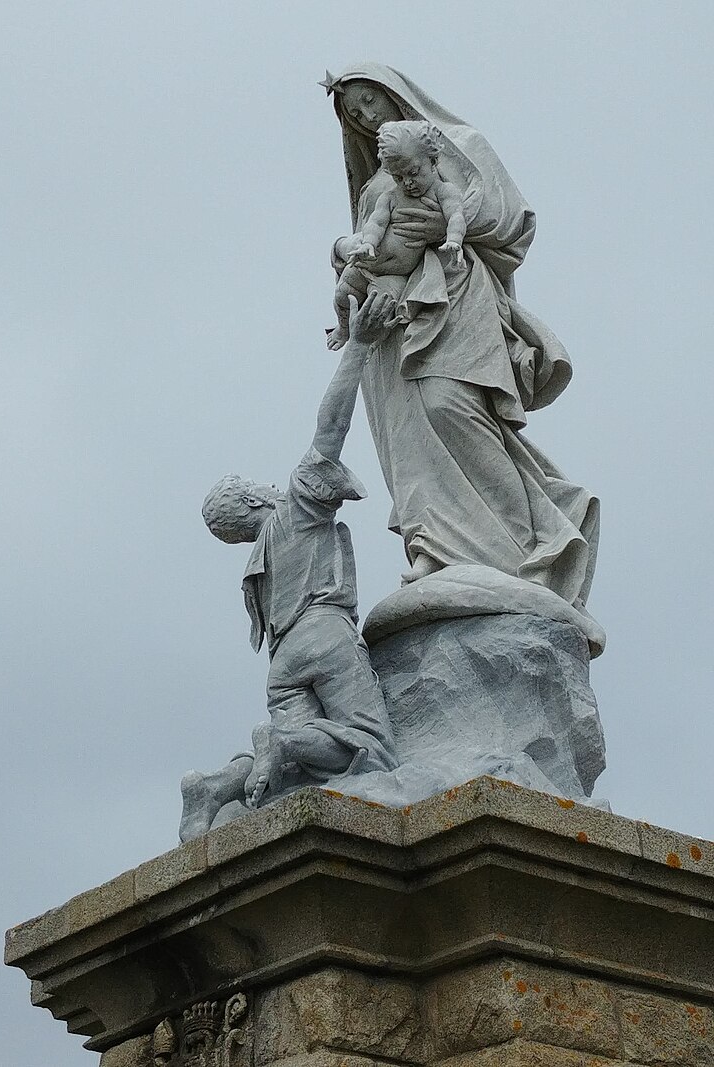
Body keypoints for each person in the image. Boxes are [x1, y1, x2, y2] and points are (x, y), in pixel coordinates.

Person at [322, 64, 600, 595]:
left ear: (391, 92)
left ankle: (538, 539)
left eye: (367, 100)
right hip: (389, 316)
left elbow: (514, 219)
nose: (363, 115)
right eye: (352, 112)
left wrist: (450, 226)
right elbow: (362, 249)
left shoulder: (459, 145)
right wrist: (339, 252)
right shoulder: (375, 181)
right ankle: (435, 549)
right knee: (410, 437)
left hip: (454, 292)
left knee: (451, 406)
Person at [179, 292, 399, 842]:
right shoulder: (292, 512)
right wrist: (361, 346)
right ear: (254, 500)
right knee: (372, 748)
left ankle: (214, 787)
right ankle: (278, 745)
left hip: (282, 666)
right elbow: (330, 428)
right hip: (324, 635)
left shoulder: (259, 565)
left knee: (300, 771)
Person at [328, 120, 466, 351]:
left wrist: (453, 240)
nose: (407, 183)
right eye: (398, 178)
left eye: (413, 173)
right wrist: (368, 244)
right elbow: (376, 222)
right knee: (343, 295)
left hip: (395, 276)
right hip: (368, 263)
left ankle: (369, 345)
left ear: (433, 161)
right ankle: (343, 328)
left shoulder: (445, 191)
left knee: (379, 309)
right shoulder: (391, 197)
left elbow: (456, 216)